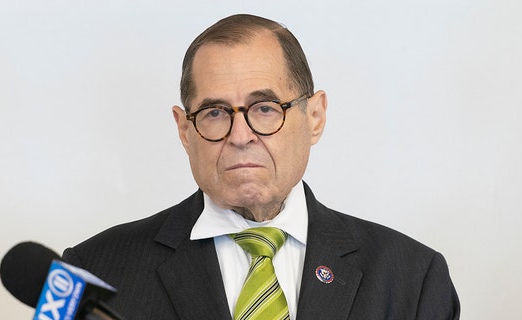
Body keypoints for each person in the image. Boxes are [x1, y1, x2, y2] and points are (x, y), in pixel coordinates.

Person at [63, 14, 460, 320]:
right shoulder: (88, 273)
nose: (240, 136)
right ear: (185, 130)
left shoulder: (414, 278)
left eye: (265, 108)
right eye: (215, 112)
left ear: (316, 116)